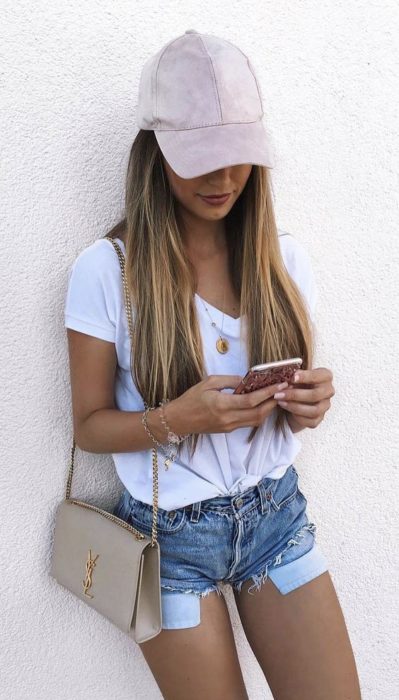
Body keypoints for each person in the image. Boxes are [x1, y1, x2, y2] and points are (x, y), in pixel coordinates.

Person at [64, 29, 361, 700]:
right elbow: (87, 424)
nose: (222, 178)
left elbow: (291, 405)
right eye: (200, 157)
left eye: (236, 156)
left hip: (275, 517)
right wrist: (176, 418)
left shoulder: (282, 261)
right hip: (169, 547)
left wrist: (308, 403)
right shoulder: (106, 270)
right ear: (155, 153)